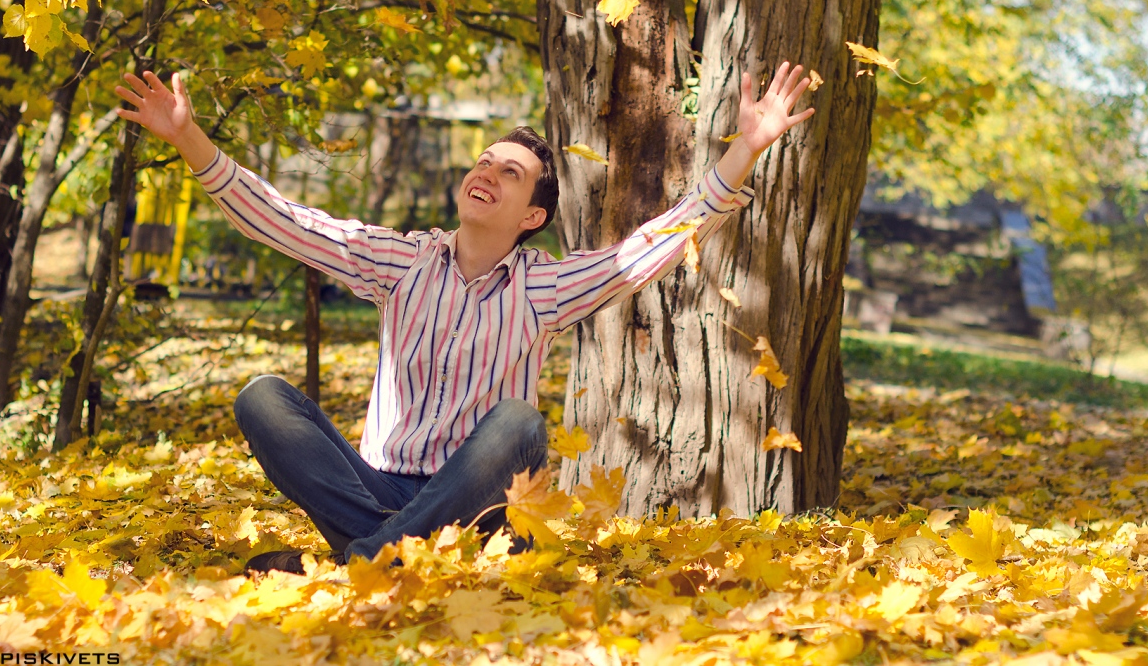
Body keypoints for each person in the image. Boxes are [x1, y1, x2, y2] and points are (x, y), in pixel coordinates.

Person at [114, 62, 814, 572]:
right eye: (485, 161)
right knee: (262, 397)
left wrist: (744, 149)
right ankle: (386, 554)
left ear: (533, 216)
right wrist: (190, 141)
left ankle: (355, 561)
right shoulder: (401, 261)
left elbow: (650, 248)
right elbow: (288, 223)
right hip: (378, 482)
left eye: (510, 173)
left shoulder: (545, 288)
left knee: (519, 423)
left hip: (477, 503)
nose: (488, 171)